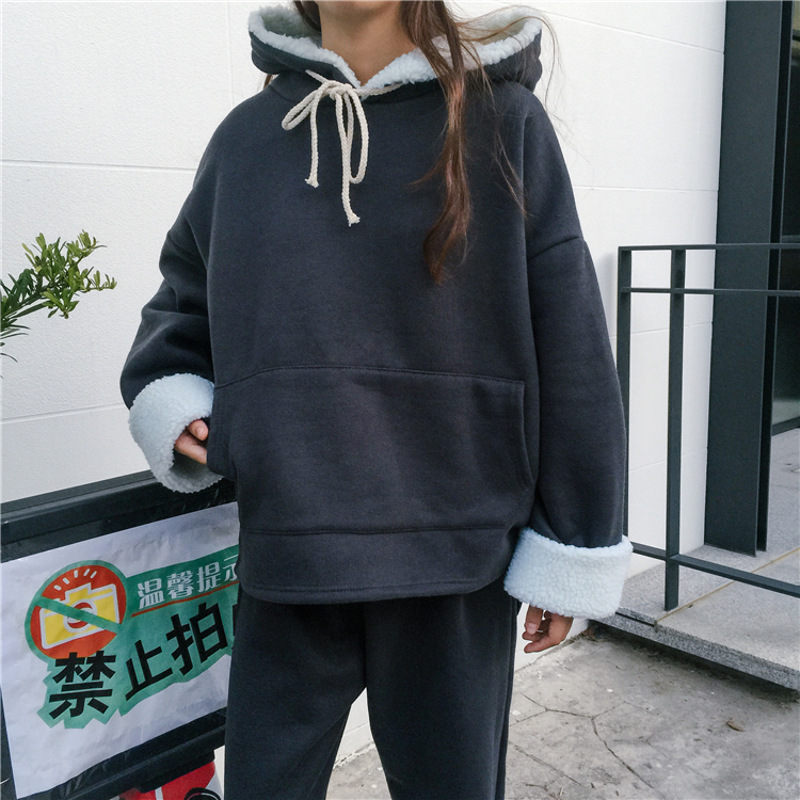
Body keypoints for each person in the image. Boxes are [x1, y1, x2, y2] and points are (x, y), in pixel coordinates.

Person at [120, 2, 632, 798]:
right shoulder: (247, 140)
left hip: (456, 561)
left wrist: (576, 536)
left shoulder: (503, 124)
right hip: (291, 550)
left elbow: (569, 339)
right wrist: (176, 396)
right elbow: (184, 302)